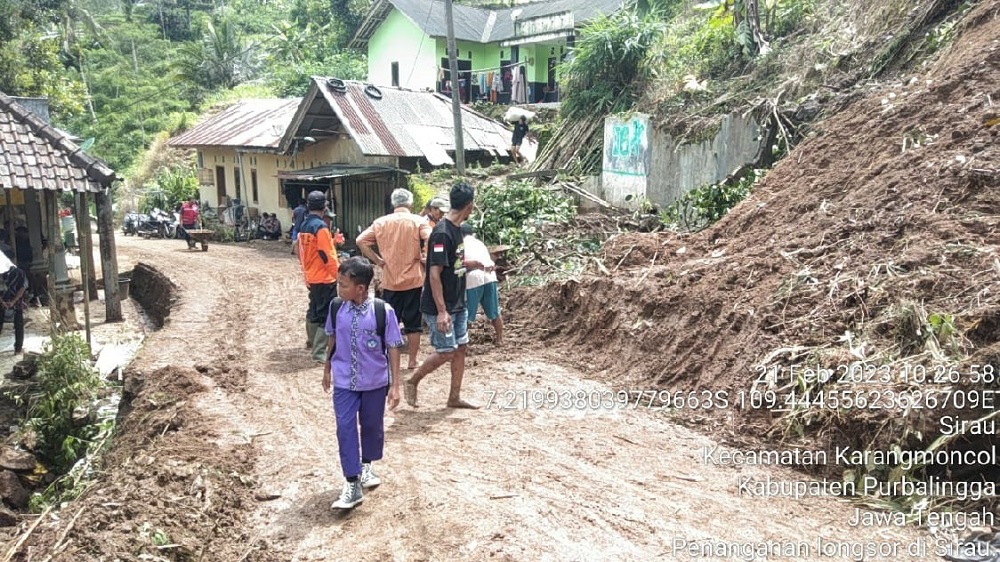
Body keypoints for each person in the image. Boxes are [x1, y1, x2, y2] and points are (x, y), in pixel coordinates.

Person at [323, 257, 403, 510]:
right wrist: (326, 369)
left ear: (360, 288)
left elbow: (392, 347)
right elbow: (332, 339)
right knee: (344, 427)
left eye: (343, 285)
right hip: (344, 381)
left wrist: (396, 385)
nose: (339, 289)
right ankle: (352, 482)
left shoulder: (382, 311)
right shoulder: (337, 308)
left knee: (371, 426)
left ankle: (366, 466)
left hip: (374, 382)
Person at [404, 182, 487, 409]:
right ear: (470, 206)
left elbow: (454, 263)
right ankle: (412, 380)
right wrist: (442, 311)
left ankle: (454, 397)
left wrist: (471, 264)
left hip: (457, 302)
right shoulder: (441, 233)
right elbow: (434, 273)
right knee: (446, 351)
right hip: (441, 305)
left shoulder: (456, 229)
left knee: (460, 349)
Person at [356, 188, 432, 370]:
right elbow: (432, 237)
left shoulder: (381, 222)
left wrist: (378, 261)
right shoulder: (418, 221)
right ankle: (412, 360)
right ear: (410, 203)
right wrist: (425, 256)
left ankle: (386, 359)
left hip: (390, 280)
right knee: (413, 323)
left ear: (393, 204)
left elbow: (360, 241)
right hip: (414, 279)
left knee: (390, 321)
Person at [298, 191, 341, 363]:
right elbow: (326, 254)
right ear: (324, 206)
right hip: (324, 277)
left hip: (311, 275)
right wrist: (338, 274)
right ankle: (318, 352)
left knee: (314, 310)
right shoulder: (321, 227)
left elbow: (302, 252)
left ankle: (311, 341)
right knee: (326, 314)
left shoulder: (303, 226)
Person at [461, 223, 503, 346]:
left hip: (473, 279)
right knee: (494, 311)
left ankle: (462, 342)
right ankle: (499, 339)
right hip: (489, 277)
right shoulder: (480, 243)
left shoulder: (459, 244)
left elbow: (459, 264)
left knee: (466, 313)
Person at [0, 252, 27, 354]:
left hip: (13, 302)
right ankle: (18, 348)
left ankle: (18, 348)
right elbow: (23, 287)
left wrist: (10, 301)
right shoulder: (17, 272)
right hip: (9, 302)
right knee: (16, 326)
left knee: (18, 326)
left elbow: (22, 288)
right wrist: (6, 302)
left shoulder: (19, 272)